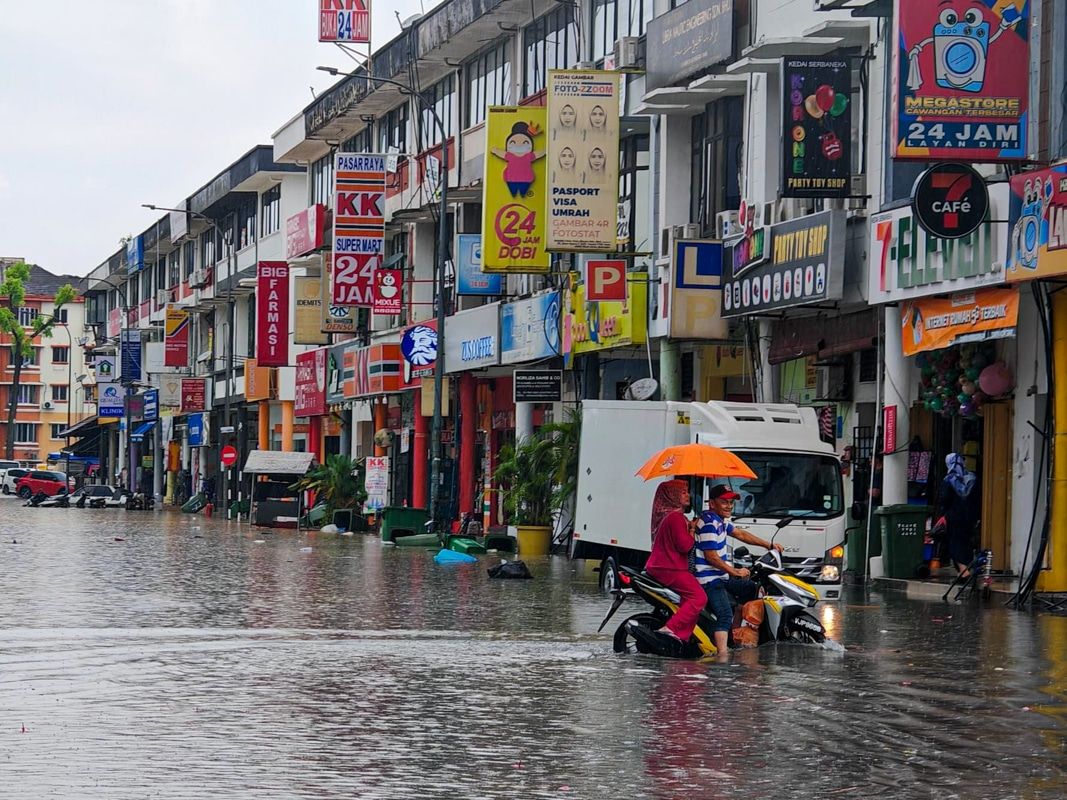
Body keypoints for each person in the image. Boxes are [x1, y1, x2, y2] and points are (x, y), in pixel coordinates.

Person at [695, 484, 785, 654]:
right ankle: (722, 656)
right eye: (724, 502)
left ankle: (734, 635)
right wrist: (735, 571)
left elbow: (741, 534)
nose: (729, 506)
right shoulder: (708, 522)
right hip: (709, 580)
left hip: (722, 577)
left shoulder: (720, 521)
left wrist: (769, 545)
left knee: (752, 589)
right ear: (712, 503)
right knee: (724, 614)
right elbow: (711, 557)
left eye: (731, 502)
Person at [644, 480, 706, 647]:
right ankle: (670, 628)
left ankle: (682, 637)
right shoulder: (675, 517)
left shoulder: (671, 516)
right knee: (699, 598)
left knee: (689, 600)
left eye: (687, 491)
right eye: (683, 492)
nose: (688, 495)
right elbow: (684, 546)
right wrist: (692, 531)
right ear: (672, 496)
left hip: (663, 566)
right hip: (670, 568)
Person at [940, 453, 980, 576]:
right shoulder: (972, 478)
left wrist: (942, 514)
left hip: (954, 517)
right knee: (966, 541)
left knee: (954, 543)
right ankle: (967, 568)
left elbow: (944, 499)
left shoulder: (949, 480)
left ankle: (963, 571)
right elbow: (977, 498)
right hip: (969, 517)